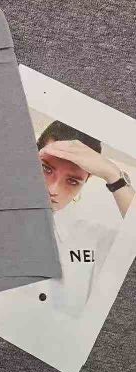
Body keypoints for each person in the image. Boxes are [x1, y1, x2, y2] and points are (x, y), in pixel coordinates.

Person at [37, 120, 134, 315]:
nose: (52, 189)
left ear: (86, 181)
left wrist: (113, 175)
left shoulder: (92, 241)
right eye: (46, 169)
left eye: (72, 181)